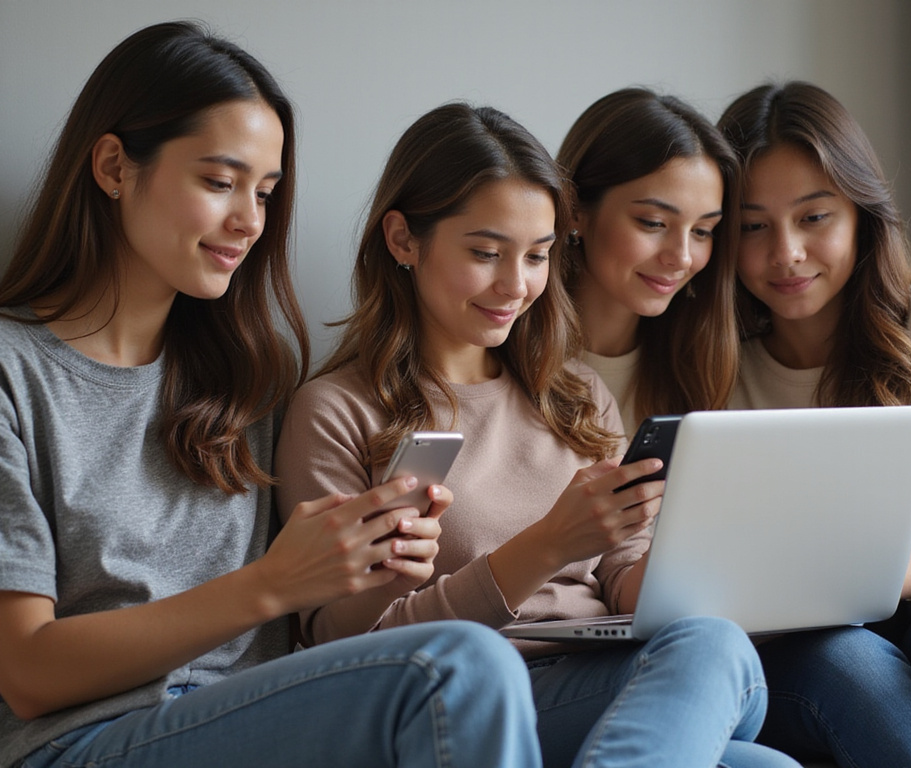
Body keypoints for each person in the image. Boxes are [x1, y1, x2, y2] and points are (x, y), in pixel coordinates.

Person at [0, 21, 543, 768]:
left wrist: (366, 565)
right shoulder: (14, 371)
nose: (249, 221)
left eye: (264, 192)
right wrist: (272, 584)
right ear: (114, 166)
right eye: (219, 182)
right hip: (82, 741)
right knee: (460, 665)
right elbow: (28, 672)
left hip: (265, 720)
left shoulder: (247, 376)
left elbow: (312, 627)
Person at [275, 102, 800, 768]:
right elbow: (347, 649)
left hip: (604, 672)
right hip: (472, 698)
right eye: (486, 253)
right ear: (403, 239)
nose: (516, 285)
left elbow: (623, 574)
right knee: (720, 667)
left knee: (756, 730)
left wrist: (717, 566)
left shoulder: (575, 394)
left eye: (537, 256)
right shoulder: (337, 413)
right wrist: (549, 544)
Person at [717, 80, 911, 768]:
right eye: (753, 226)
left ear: (860, 213)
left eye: (814, 217)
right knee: (850, 659)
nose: (786, 253)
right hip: (795, 650)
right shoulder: (713, 365)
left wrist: (882, 572)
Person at [558, 87, 741, 435]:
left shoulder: (698, 372)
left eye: (702, 231)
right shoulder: (498, 362)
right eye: (654, 223)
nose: (681, 257)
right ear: (575, 209)